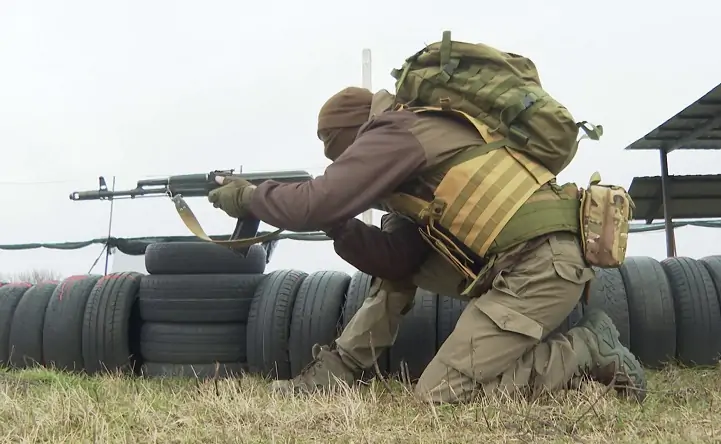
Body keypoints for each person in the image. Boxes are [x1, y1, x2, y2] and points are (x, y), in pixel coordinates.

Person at [207, 86, 647, 404]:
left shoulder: (397, 133)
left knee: (440, 393)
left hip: (543, 264)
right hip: (514, 263)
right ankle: (339, 370)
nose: (346, 169)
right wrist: (337, 223)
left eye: (342, 157)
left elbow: (313, 202)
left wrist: (249, 197)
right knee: (396, 267)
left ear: (355, 135)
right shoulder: (409, 168)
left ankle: (587, 350)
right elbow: (399, 260)